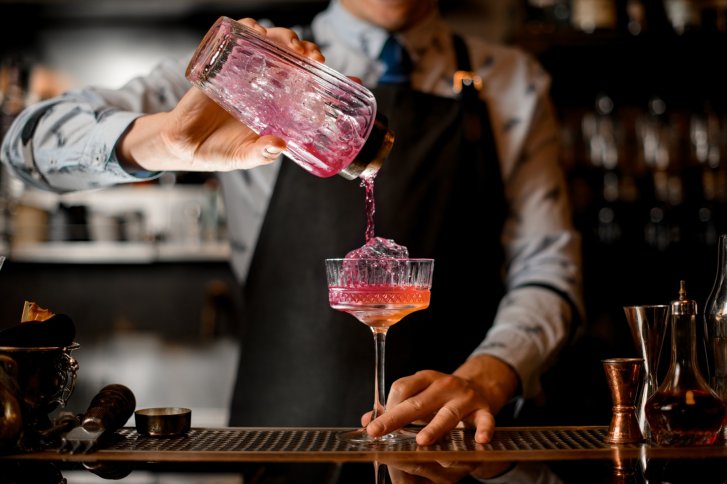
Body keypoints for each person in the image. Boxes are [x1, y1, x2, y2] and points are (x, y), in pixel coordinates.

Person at [1, 0, 582, 453]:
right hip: (281, 442)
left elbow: (550, 272)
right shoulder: (252, 66)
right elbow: (24, 145)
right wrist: (165, 141)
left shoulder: (512, 82)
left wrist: (489, 376)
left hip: (454, 448)